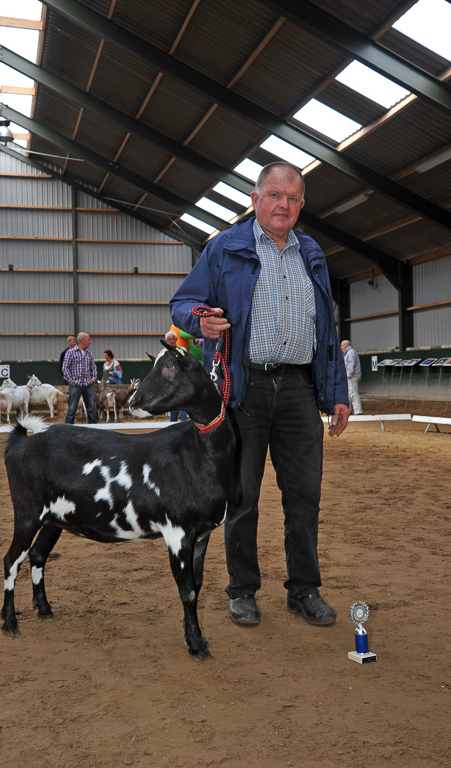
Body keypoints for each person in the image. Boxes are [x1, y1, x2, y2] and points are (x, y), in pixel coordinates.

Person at [170, 161, 349, 628]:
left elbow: (327, 330)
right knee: (243, 497)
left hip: (298, 388)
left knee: (304, 496)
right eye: (274, 195)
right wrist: (199, 320)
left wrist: (337, 393)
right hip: (242, 387)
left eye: (292, 198)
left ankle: (304, 590)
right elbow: (182, 302)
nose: (283, 206)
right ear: (254, 199)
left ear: (302, 205)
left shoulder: (311, 253)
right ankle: (243, 590)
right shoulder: (224, 248)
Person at [62, 332, 98, 424]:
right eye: (88, 340)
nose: (90, 342)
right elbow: (65, 368)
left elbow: (94, 368)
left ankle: (94, 430)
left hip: (87, 385)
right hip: (75, 385)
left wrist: (93, 379)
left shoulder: (89, 354)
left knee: (90, 409)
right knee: (72, 409)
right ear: (82, 340)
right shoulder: (70, 352)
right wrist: (71, 381)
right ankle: (68, 429)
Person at [165, 331, 188, 422]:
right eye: (169, 340)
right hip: (170, 381)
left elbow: (185, 362)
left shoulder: (182, 349)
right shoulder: (164, 352)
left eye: (173, 339)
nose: (171, 341)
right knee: (171, 404)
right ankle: (172, 424)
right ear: (167, 341)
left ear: (176, 339)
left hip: (181, 380)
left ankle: (184, 422)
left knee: (183, 403)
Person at [341, 340, 363, 415]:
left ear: (346, 345)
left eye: (342, 345)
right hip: (351, 376)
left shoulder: (350, 352)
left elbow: (351, 366)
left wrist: (348, 376)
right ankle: (349, 410)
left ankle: (358, 411)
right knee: (349, 394)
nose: (341, 347)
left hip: (352, 376)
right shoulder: (348, 353)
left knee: (353, 394)